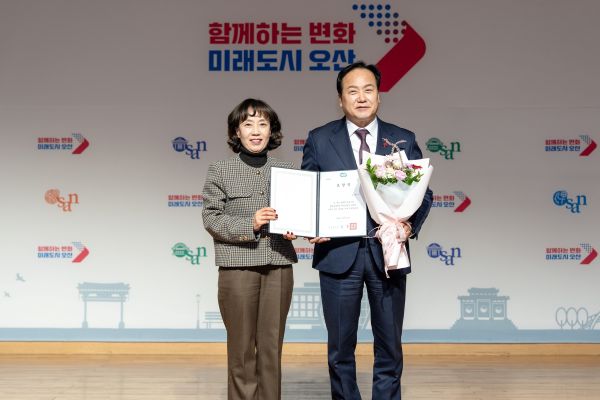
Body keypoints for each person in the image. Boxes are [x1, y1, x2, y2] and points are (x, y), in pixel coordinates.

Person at [301, 61, 433, 399]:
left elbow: (424, 193)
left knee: (389, 345)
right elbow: (309, 193)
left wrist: (408, 226)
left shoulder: (402, 139)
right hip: (337, 255)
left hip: (387, 255)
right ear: (340, 99)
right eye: (353, 91)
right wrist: (309, 224)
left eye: (368, 90)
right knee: (340, 348)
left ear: (379, 95)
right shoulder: (319, 139)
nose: (361, 97)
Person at [202, 98, 297, 400]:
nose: (256, 131)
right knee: (242, 350)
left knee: (271, 348)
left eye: (263, 124)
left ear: (272, 131)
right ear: (236, 131)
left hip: (278, 266)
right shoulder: (220, 170)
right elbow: (211, 218)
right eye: (248, 124)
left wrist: (298, 228)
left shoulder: (288, 170)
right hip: (237, 268)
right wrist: (250, 224)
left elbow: (298, 215)